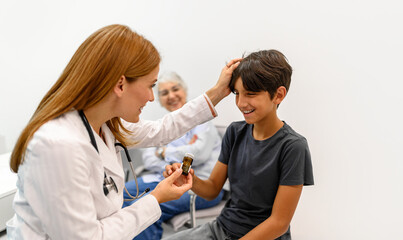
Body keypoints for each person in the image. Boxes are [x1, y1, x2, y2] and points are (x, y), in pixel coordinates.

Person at [6, 24, 240, 239]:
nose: (152, 97)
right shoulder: (58, 144)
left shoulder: (104, 125)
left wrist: (219, 91)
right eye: (151, 86)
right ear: (120, 85)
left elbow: (162, 130)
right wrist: (156, 198)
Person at [164, 49, 314, 240]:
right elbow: (211, 190)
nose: (241, 103)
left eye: (250, 94)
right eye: (237, 93)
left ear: (278, 95)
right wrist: (190, 180)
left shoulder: (293, 147)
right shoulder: (235, 132)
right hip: (222, 229)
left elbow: (279, 223)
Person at [123, 71, 224, 240]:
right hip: (163, 178)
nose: (171, 96)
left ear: (184, 91)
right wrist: (175, 162)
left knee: (144, 208)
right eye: (164, 93)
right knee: (122, 194)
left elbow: (198, 154)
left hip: (201, 187)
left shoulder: (203, 122)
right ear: (159, 99)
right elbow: (148, 158)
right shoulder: (163, 126)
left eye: (175, 89)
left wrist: (163, 152)